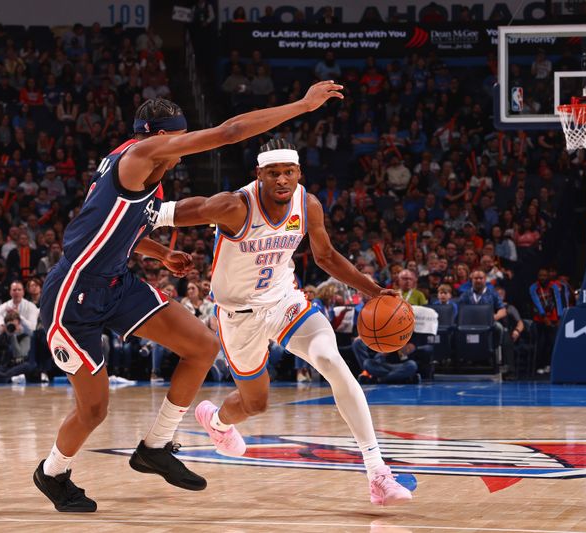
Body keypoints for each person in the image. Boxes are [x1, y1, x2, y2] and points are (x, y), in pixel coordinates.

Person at [34, 82, 345, 512]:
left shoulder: (147, 171)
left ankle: (155, 446)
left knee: (202, 346)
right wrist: (304, 105)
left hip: (115, 282)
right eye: (178, 138)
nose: (182, 148)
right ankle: (52, 473)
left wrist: (160, 251)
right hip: (74, 294)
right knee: (93, 411)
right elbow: (231, 131)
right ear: (162, 138)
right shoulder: (140, 155)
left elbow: (114, 225)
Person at [157, 139, 413, 506]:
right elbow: (166, 213)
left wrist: (374, 291)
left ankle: (377, 472)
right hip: (238, 317)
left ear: (299, 174)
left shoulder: (307, 204)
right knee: (255, 404)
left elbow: (325, 256)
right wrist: (124, 216)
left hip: (284, 301)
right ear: (258, 174)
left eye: (288, 172)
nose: (282, 180)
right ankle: (217, 422)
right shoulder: (233, 206)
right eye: (273, 173)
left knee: (332, 362)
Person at [0, 310, 35, 383]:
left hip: (16, 367)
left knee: (28, 366)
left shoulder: (24, 337)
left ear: (19, 324)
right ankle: (8, 378)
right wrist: (0, 335)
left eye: (15, 325)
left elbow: (19, 355)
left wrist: (12, 336)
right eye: (10, 326)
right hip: (0, 367)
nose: (12, 328)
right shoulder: (2, 336)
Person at [529, 267, 564, 375]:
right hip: (539, 319)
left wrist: (559, 317)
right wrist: (544, 317)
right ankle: (539, 365)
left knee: (552, 343)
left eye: (545, 275)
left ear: (548, 276)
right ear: (537, 276)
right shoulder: (533, 287)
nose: (543, 278)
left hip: (553, 319)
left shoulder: (554, 286)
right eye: (540, 275)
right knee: (541, 343)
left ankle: (549, 365)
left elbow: (558, 302)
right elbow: (537, 303)